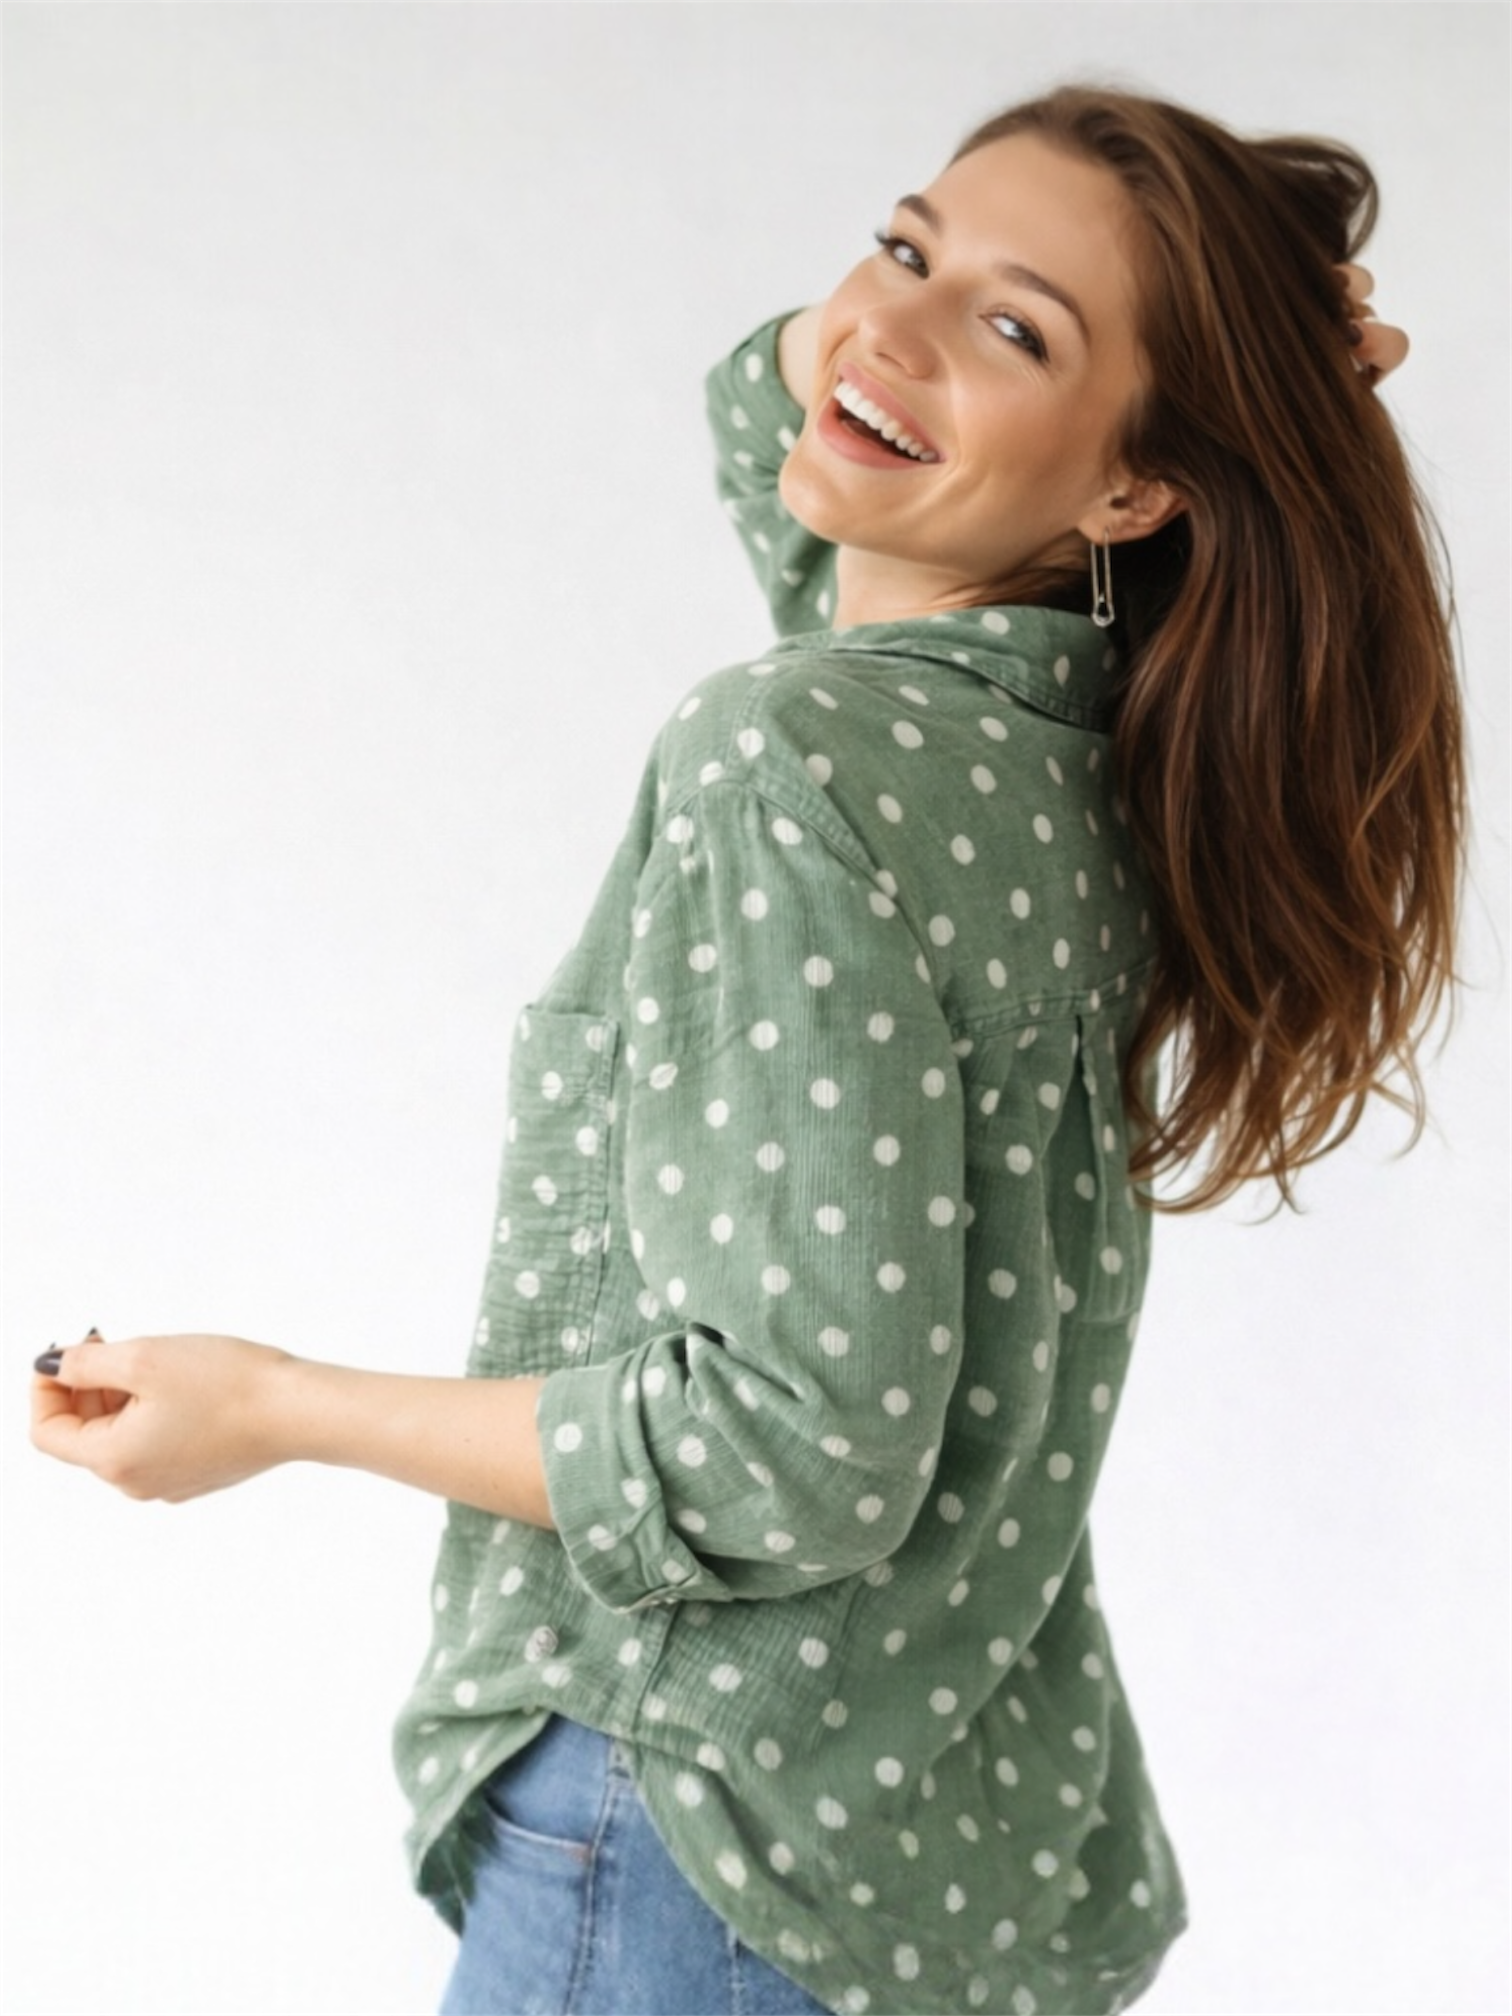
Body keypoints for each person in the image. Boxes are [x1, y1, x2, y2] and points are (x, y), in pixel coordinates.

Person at [31, 83, 1454, 2016]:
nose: (884, 331)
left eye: (1016, 328)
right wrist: (1150, 355)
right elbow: (763, 404)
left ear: (1136, 489)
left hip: (692, 1824)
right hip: (931, 1844)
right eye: (902, 244)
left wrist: (274, 1405)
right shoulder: (1078, 746)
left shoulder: (795, 758)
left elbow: (787, 1452)